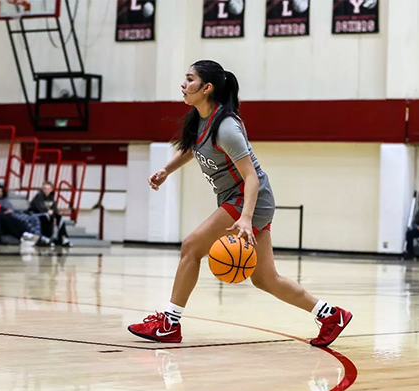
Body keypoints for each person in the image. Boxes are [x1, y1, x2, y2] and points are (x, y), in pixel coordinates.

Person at [127, 60, 352, 346]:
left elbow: (252, 178)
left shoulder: (227, 127)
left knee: (191, 247)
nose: (183, 85)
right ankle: (332, 315)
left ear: (207, 88)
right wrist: (166, 171)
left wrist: (245, 218)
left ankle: (169, 324)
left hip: (249, 199)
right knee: (266, 279)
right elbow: (192, 150)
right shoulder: (200, 118)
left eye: (190, 79)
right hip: (242, 199)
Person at [29, 181, 71, 247]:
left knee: (60, 217)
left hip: (47, 214)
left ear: (51, 189)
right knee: (46, 216)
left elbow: (54, 209)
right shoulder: (39, 196)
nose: (46, 190)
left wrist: (56, 213)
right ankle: (45, 237)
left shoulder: (51, 197)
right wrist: (47, 211)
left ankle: (63, 238)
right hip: (36, 214)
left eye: (48, 189)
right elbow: (39, 208)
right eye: (44, 188)